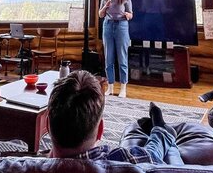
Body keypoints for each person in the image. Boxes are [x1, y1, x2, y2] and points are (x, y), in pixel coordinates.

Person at [47, 70, 183, 165]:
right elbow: (151, 157)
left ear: (47, 125)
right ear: (101, 130)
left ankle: (160, 131)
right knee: (156, 151)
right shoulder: (122, 165)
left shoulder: (34, 171)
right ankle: (161, 131)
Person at [99, 0, 133, 98]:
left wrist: (127, 14)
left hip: (121, 26)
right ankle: (110, 87)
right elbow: (100, 14)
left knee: (122, 58)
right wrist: (106, 6)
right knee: (109, 58)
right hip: (107, 26)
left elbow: (131, 14)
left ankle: (123, 88)